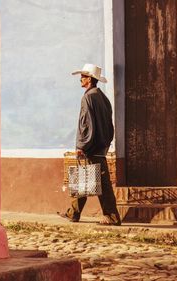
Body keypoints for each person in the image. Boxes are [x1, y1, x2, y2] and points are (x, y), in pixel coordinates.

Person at [58, 63, 121, 226]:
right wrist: (105, 142)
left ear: (90, 80)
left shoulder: (88, 97)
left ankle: (112, 216)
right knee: (85, 179)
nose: (81, 79)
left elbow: (85, 125)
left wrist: (81, 146)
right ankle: (73, 212)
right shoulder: (102, 98)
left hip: (91, 147)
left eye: (84, 77)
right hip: (100, 146)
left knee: (99, 182)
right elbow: (109, 125)